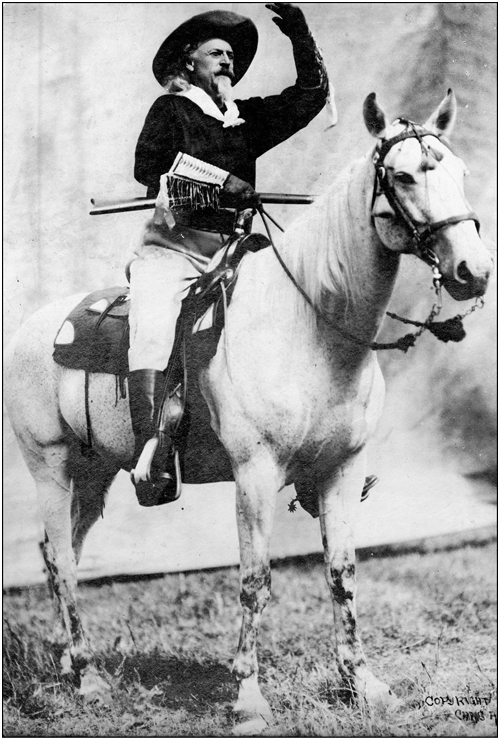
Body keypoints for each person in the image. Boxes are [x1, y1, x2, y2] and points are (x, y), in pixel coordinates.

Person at [128, 3, 331, 506]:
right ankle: (152, 452)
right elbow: (147, 169)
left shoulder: (244, 120)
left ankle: (313, 453)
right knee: (152, 324)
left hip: (235, 251)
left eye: (233, 57)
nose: (228, 62)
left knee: (294, 311)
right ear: (188, 61)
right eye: (216, 52)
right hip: (175, 251)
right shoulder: (170, 110)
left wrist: (300, 37)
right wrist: (222, 182)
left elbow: (308, 99)